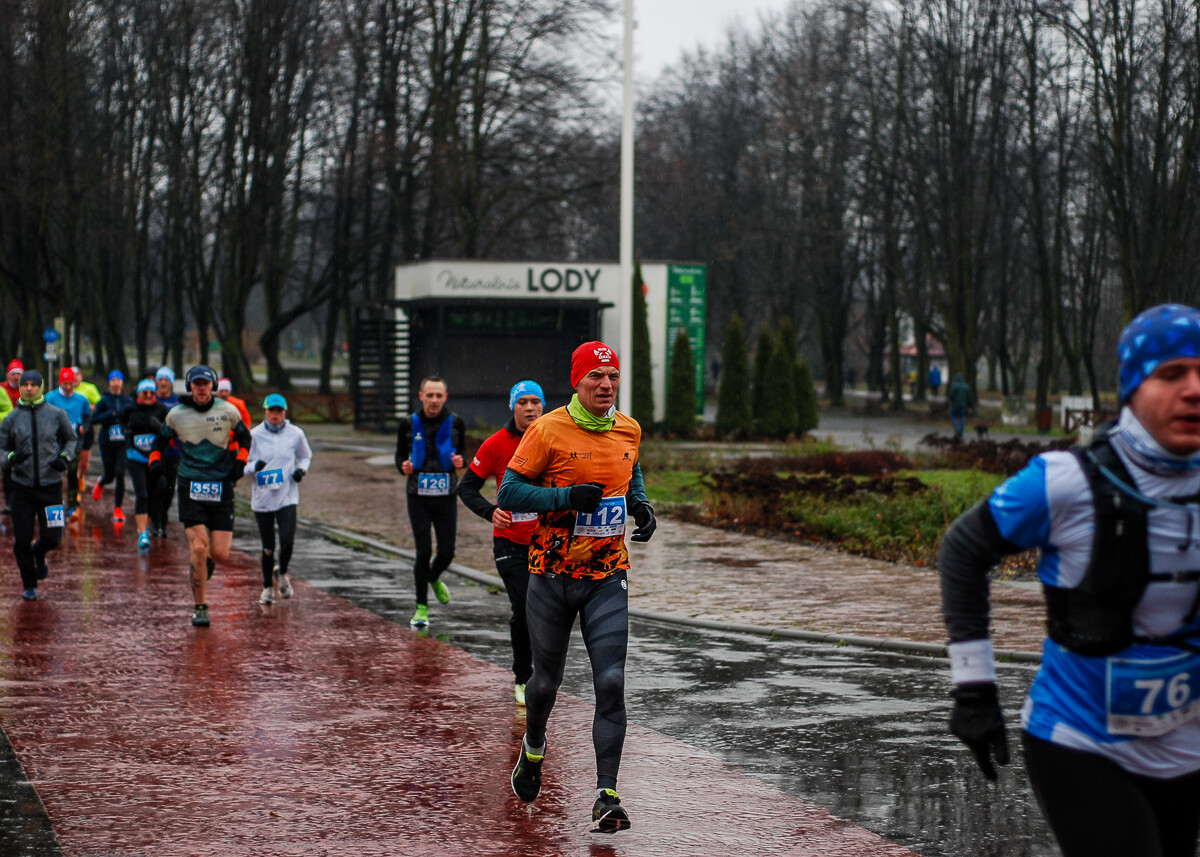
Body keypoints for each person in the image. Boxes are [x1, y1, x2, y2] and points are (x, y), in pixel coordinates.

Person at [939, 303, 1200, 857]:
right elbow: (963, 550)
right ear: (1132, 388)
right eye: (1172, 374)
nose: (1195, 389)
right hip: (1082, 740)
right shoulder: (1067, 482)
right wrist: (975, 689)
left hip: (1186, 748)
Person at [498, 341, 656, 834]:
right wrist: (565, 496)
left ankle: (606, 795)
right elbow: (508, 491)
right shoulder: (546, 430)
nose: (606, 386)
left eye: (612, 378)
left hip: (608, 574)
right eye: (595, 378)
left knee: (611, 682)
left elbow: (631, 472)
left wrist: (641, 505)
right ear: (577, 381)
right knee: (544, 683)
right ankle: (534, 746)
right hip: (550, 575)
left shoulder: (628, 428)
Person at [457, 380, 546, 705]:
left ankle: (546, 674)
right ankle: (523, 677)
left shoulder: (553, 438)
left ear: (542, 406)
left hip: (549, 541)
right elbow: (466, 488)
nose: (530, 408)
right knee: (522, 608)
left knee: (550, 612)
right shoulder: (496, 444)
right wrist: (491, 512)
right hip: (510, 543)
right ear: (513, 406)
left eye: (535, 401)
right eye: (522, 402)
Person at [149, 365, 251, 627]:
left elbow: (245, 437)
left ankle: (202, 564)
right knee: (198, 547)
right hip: (190, 485)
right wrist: (155, 463)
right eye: (197, 384)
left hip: (221, 485)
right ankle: (201, 607)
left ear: (213, 386)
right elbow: (159, 441)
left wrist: (240, 461)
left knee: (219, 554)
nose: (202, 388)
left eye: (206, 384)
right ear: (190, 387)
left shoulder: (228, 411)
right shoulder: (177, 414)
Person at [394, 376, 466, 629]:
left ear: (445, 397)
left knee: (447, 552)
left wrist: (460, 462)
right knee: (423, 552)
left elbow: (463, 453)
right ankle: (421, 608)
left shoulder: (456, 422)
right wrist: (403, 465)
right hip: (418, 497)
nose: (434, 400)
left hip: (446, 495)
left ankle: (434, 578)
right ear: (421, 396)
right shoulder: (407, 424)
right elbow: (399, 456)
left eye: (438, 395)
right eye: (429, 395)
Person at [0, 371, 76, 600]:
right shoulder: (10, 419)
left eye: (34, 385)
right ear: (21, 388)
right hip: (22, 488)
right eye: (25, 385)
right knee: (21, 539)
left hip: (50, 486)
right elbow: (1, 451)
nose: (29, 389)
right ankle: (29, 584)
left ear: (41, 387)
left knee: (53, 537)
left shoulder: (56, 415)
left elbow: (71, 439)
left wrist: (65, 457)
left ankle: (39, 550)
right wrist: (12, 457)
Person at [245, 394, 312, 605]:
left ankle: (282, 573)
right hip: (263, 497)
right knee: (268, 547)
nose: (275, 415)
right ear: (265, 411)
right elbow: (243, 464)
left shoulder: (296, 434)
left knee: (288, 542)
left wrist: (301, 470)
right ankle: (266, 588)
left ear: (284, 412)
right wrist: (253, 467)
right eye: (271, 411)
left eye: (279, 411)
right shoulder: (253, 435)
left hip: (287, 496)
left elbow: (305, 455)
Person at [122, 379, 169, 551]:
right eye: (145, 393)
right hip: (135, 457)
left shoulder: (162, 410)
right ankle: (142, 533)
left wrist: (159, 426)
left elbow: (169, 432)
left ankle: (152, 522)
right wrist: (126, 434)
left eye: (151, 393)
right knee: (141, 494)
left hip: (154, 458)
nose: (149, 396)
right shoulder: (130, 408)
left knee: (158, 490)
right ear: (139, 394)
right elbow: (120, 423)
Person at [44, 368, 91, 522]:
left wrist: (85, 426)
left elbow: (87, 417)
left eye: (71, 384)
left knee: (72, 473)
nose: (69, 387)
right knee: (54, 474)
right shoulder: (50, 398)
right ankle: (53, 505)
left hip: (74, 442)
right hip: (54, 443)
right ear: (60, 383)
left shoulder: (81, 399)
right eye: (65, 384)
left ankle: (72, 506)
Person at [89, 370, 132, 522]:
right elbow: (93, 420)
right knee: (110, 475)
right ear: (109, 383)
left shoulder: (127, 400)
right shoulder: (104, 400)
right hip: (107, 441)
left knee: (120, 473)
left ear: (122, 383)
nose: (115, 383)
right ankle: (102, 481)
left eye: (118, 380)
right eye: (113, 380)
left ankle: (118, 509)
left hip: (122, 442)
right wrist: (109, 414)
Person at [150, 366, 181, 536]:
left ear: (171, 383)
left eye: (166, 380)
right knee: (158, 486)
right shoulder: (150, 398)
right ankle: (155, 521)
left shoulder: (177, 402)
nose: (162, 383)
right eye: (160, 379)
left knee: (169, 488)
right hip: (154, 452)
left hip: (173, 451)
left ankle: (163, 518)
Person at [948, 372, 970, 440]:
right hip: (963, 405)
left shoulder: (954, 386)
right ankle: (961, 431)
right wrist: (967, 404)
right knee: (962, 418)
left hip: (955, 405)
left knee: (952, 416)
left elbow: (951, 395)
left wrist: (952, 401)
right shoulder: (966, 386)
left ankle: (957, 428)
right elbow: (969, 397)